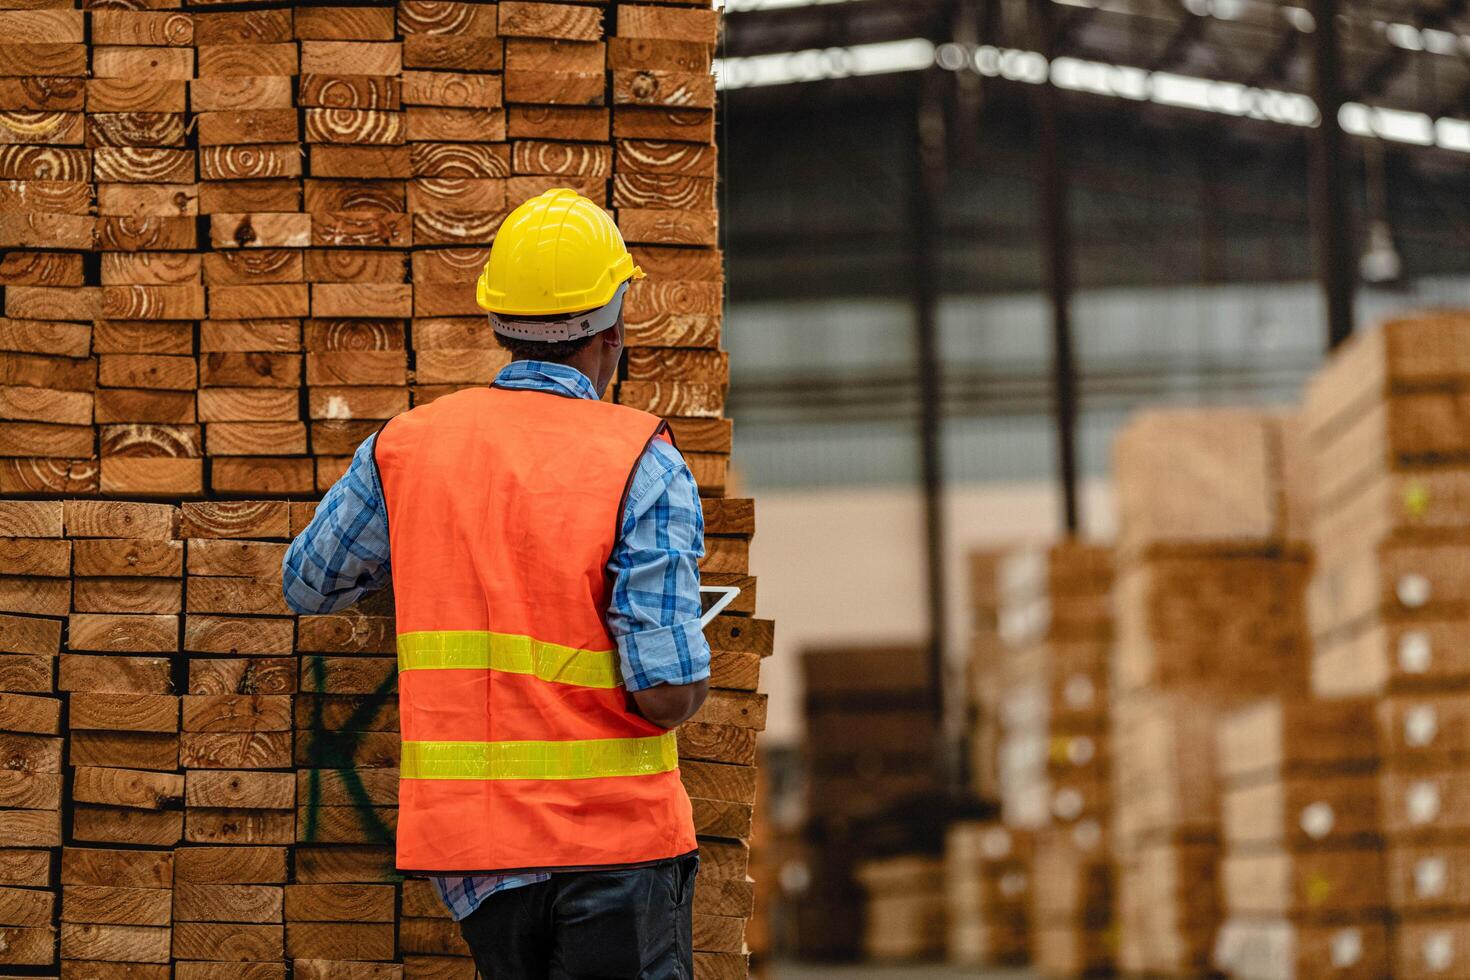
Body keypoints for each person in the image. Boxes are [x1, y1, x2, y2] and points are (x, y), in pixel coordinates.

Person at [282, 188, 710, 979]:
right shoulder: (641, 461)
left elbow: (308, 584)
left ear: (497, 325)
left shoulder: (407, 450)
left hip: (478, 866)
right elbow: (666, 691)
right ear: (614, 331)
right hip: (613, 851)